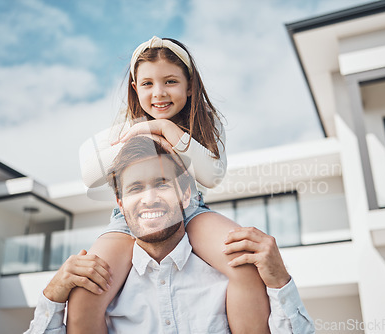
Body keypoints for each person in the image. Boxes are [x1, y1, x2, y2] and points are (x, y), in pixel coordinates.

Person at [73, 36, 271, 333]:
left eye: (170, 82)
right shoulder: (125, 124)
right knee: (87, 286)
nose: (159, 93)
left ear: (189, 85)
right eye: (148, 84)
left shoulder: (207, 123)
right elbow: (89, 172)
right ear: (135, 88)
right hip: (128, 220)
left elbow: (213, 175)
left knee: (242, 260)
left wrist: (165, 127)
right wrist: (144, 134)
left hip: (190, 210)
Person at [25, 136, 315, 333]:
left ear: (186, 194)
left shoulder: (233, 278)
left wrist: (280, 281)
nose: (149, 198)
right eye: (135, 189)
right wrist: (51, 296)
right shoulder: (96, 290)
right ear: (120, 205)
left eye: (162, 184)